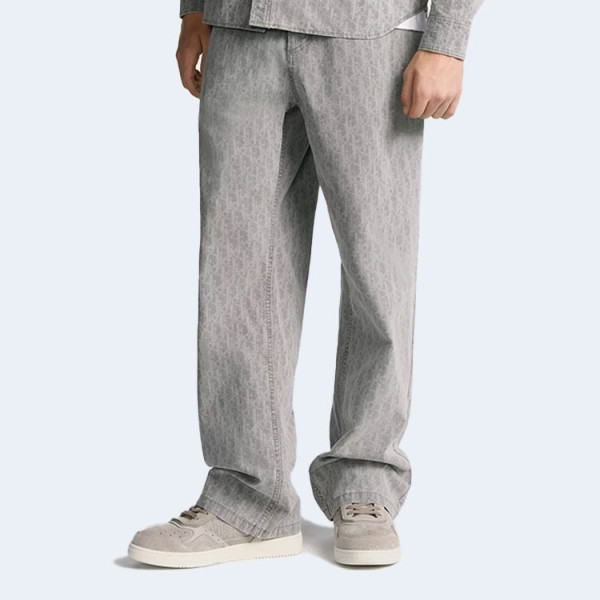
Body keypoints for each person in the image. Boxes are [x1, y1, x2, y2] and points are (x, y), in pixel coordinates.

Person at [127, 0, 483, 568]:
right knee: (235, 272)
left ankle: (365, 480)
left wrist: (448, 37)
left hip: (370, 32)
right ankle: (248, 497)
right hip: (239, 28)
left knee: (378, 270)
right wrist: (195, 10)